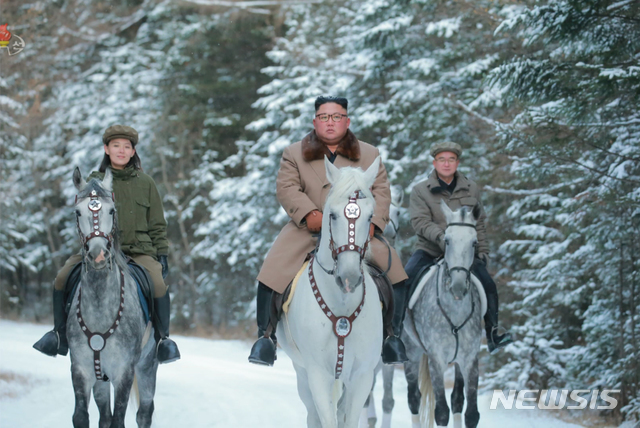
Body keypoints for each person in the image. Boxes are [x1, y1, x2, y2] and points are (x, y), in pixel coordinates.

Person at [248, 96, 410, 366]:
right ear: (315, 121)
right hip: (307, 230)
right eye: (324, 117)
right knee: (271, 273)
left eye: (336, 117)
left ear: (347, 121)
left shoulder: (369, 154)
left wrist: (374, 223)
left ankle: (392, 336)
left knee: (397, 276)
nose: (330, 122)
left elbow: (381, 191)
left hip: (355, 232)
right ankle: (266, 338)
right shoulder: (294, 153)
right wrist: (309, 213)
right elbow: (287, 188)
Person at [33, 125, 181, 364]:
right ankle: (59, 335)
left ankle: (163, 340)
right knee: (61, 278)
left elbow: (157, 224)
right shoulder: (93, 182)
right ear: (106, 149)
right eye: (116, 146)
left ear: (133, 152)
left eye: (126, 146)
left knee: (158, 284)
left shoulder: (147, 183)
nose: (121, 151)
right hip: (99, 249)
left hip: (139, 251)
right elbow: (83, 215)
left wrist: (161, 254)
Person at [405, 141, 512, 353]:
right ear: (435, 163)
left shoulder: (472, 188)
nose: (446, 164)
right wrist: (442, 238)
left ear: (457, 162)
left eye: (451, 159)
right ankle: (394, 336)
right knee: (403, 282)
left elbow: (478, 222)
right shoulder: (420, 190)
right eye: (442, 160)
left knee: (489, 285)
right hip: (430, 249)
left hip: (464, 253)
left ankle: (492, 334)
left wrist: (482, 250)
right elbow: (419, 222)